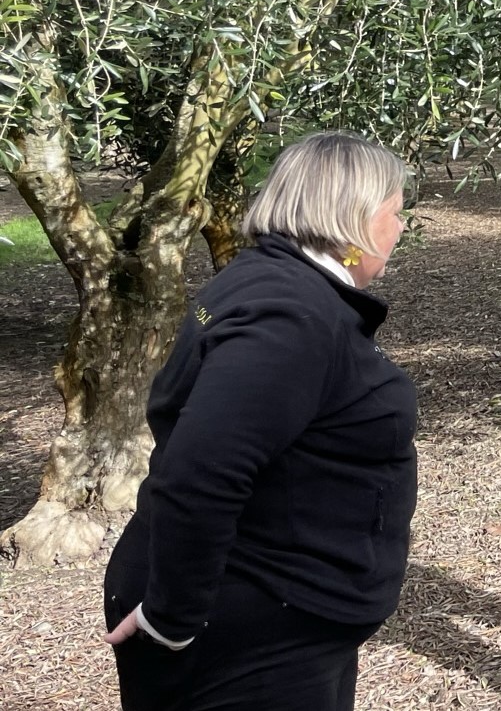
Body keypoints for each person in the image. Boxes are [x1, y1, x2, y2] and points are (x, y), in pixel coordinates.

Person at [102, 131, 417, 711]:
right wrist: (173, 618)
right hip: (254, 629)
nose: (400, 230)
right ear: (356, 217)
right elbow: (203, 472)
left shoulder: (264, 279)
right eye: (397, 213)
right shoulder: (289, 318)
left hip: (278, 616)